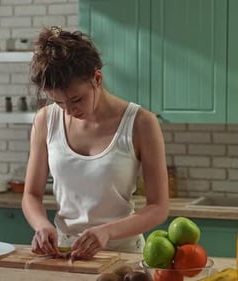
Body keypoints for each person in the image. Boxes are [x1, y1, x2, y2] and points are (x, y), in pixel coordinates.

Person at [21, 26, 169, 260]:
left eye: (76, 99)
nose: (68, 111)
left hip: (123, 255)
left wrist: (107, 232)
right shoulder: (46, 120)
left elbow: (158, 207)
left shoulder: (141, 123)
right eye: (58, 102)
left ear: (97, 79)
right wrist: (41, 225)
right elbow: (31, 194)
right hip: (65, 254)